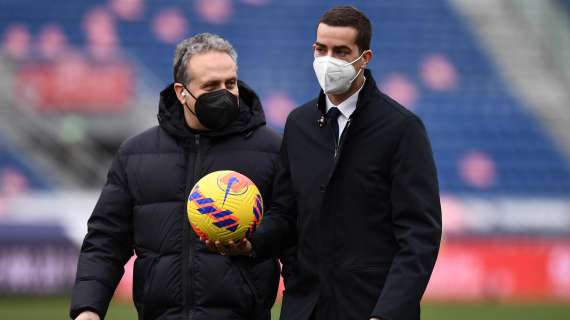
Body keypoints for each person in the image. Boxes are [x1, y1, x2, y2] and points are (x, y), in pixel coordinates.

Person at [216, 6, 442, 320]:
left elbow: (419, 234)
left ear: (365, 59)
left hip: (369, 307)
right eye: (321, 49)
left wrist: (388, 312)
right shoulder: (298, 124)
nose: (328, 60)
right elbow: (285, 211)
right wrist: (251, 244)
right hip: (305, 306)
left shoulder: (402, 129)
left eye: (341, 51)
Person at [70, 33, 282, 320]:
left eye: (230, 83)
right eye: (210, 86)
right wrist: (88, 309)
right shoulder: (135, 154)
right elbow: (105, 241)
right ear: (182, 92)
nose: (224, 92)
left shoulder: (272, 150)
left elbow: (294, 241)